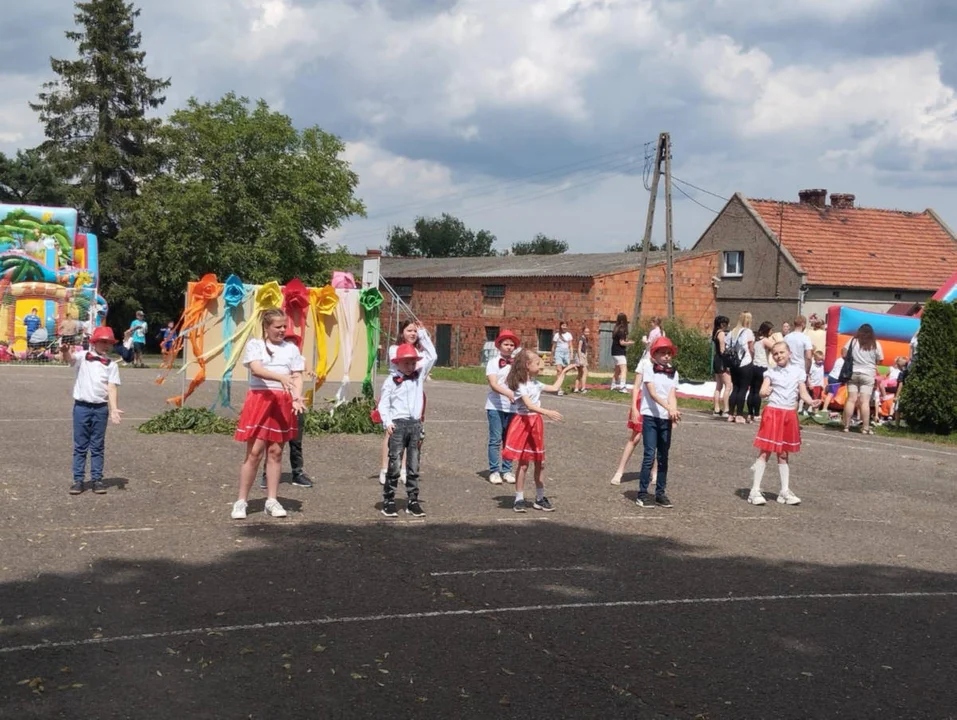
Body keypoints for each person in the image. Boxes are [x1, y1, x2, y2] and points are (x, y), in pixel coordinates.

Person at [231, 310, 306, 520]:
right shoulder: (255, 345)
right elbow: (256, 369)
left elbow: (297, 375)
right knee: (254, 452)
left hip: (282, 402)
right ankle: (241, 501)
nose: (282, 330)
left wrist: (297, 396)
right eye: (278, 327)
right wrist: (281, 377)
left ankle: (271, 500)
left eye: (284, 326)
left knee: (275, 452)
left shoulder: (291, 348)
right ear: (266, 327)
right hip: (260, 400)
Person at [502, 350, 576, 512]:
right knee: (523, 464)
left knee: (540, 463)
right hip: (523, 423)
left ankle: (540, 498)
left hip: (536, 424)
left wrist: (563, 372)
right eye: (537, 363)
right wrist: (547, 412)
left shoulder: (537, 384)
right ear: (527, 366)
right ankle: (519, 498)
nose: (540, 366)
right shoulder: (521, 386)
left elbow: (556, 387)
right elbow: (529, 405)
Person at [748, 341, 820, 506]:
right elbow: (762, 391)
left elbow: (803, 393)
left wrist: (811, 401)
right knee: (765, 452)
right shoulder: (770, 373)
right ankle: (754, 490)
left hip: (789, 415)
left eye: (782, 352)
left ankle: (784, 491)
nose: (779, 356)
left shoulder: (798, 372)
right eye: (775, 354)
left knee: (783, 454)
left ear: (789, 354)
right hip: (773, 413)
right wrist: (763, 392)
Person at [377, 327, 437, 518]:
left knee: (413, 465)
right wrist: (387, 421)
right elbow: (383, 404)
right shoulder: (391, 381)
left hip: (415, 424)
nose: (411, 366)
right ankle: (389, 500)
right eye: (407, 363)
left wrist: (423, 335)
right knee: (394, 464)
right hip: (398, 424)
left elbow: (433, 356)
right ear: (398, 363)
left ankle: (413, 500)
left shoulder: (418, 378)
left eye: (413, 363)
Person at [60, 326, 124, 495]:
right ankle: (78, 479)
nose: (105, 345)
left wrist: (114, 409)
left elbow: (111, 388)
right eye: (102, 342)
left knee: (97, 446)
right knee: (80, 445)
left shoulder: (111, 365)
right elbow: (69, 359)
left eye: (108, 343)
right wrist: (65, 351)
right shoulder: (83, 357)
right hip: (82, 407)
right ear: (94, 342)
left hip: (100, 408)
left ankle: (97, 479)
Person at [259, 330, 314, 490]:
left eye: (293, 342)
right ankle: (266, 474)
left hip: (295, 404)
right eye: (287, 341)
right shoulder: (274, 359)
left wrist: (309, 371)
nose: (290, 344)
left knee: (296, 441)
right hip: (276, 403)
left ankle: (297, 473)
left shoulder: (298, 358)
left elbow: (303, 368)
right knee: (271, 441)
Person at [379, 320, 427, 485]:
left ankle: (404, 469)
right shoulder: (395, 348)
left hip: (413, 392)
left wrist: (424, 334)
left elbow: (429, 359)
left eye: (415, 331)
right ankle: (386, 468)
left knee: (411, 433)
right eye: (409, 330)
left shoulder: (418, 350)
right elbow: (400, 364)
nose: (413, 334)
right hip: (397, 391)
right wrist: (420, 365)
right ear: (402, 332)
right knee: (391, 433)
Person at [635, 336, 680, 508]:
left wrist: (673, 411)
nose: (667, 356)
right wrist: (669, 408)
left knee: (664, 456)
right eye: (663, 353)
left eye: (669, 353)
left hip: (665, 418)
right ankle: (642, 493)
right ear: (655, 354)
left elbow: (672, 395)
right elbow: (652, 394)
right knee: (649, 455)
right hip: (651, 417)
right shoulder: (648, 368)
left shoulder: (673, 372)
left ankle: (660, 493)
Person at [609, 355, 656, 486]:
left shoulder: (666, 366)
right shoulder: (645, 363)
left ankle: (655, 472)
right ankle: (619, 471)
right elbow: (636, 387)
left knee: (655, 440)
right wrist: (634, 407)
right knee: (635, 438)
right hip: (643, 403)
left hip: (657, 406)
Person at [485, 328, 519, 485]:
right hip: (495, 406)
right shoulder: (493, 363)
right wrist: (507, 393)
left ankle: (507, 470)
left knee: (509, 439)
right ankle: (494, 471)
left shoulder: (517, 364)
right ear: (499, 345)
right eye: (506, 344)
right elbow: (493, 384)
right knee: (496, 439)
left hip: (513, 407)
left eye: (512, 345)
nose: (509, 347)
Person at [841, 323, 884, 435]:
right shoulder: (876, 344)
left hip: (853, 372)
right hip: (868, 374)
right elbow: (880, 360)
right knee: (864, 402)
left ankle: (846, 426)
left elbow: (844, 352)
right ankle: (865, 427)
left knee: (851, 399)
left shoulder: (853, 341)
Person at [726, 312, 755, 424]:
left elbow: (727, 345)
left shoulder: (733, 331)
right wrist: (752, 358)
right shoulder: (748, 332)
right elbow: (751, 348)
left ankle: (730, 414)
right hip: (745, 362)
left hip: (734, 363)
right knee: (743, 389)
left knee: (735, 388)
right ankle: (739, 414)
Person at [748, 321, 774, 422]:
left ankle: (750, 412)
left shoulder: (756, 340)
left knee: (752, 390)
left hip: (754, 365)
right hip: (762, 366)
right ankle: (756, 413)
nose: (772, 332)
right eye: (771, 330)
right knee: (758, 391)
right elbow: (775, 347)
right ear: (767, 331)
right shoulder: (765, 340)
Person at [711, 315, 731, 416]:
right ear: (722, 324)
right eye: (726, 324)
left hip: (716, 360)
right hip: (722, 360)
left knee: (718, 386)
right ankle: (726, 408)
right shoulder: (721, 333)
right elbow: (723, 349)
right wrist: (728, 362)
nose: (727, 326)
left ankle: (716, 408)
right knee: (728, 385)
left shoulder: (715, 332)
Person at [610, 313, 635, 393]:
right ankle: (622, 387)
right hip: (619, 352)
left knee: (617, 370)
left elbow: (619, 341)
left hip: (614, 351)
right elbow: (622, 343)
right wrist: (630, 343)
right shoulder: (622, 329)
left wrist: (626, 341)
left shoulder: (616, 328)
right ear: (624, 320)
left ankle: (613, 385)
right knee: (624, 369)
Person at [807, 350, 826, 414]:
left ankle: (814, 411)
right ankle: (814, 412)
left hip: (819, 385)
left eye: (822, 360)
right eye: (819, 360)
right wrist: (810, 384)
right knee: (814, 399)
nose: (821, 361)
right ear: (815, 359)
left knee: (818, 398)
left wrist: (823, 384)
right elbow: (808, 376)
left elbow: (822, 375)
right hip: (814, 385)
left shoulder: (822, 365)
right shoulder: (812, 366)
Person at [572, 326, 590, 394]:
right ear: (583, 332)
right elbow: (579, 349)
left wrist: (586, 356)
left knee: (580, 373)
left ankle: (576, 388)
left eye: (588, 332)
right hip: (580, 355)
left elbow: (585, 349)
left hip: (583, 356)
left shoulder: (586, 339)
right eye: (586, 332)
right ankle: (583, 388)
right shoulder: (581, 339)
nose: (587, 333)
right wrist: (580, 359)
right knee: (585, 372)